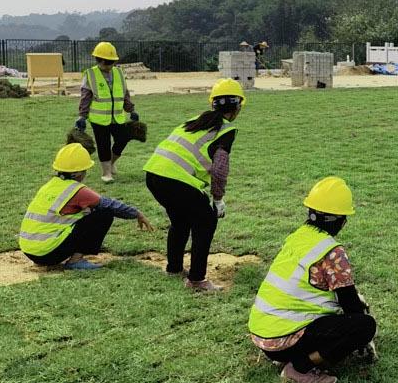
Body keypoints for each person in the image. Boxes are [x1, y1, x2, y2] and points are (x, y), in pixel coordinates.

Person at [248, 176, 377, 383]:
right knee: (363, 325)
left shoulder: (298, 237)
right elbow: (351, 306)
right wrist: (361, 338)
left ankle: (292, 355)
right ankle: (298, 368)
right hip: (284, 339)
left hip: (263, 334)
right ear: (342, 220)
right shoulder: (332, 252)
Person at [143, 78, 245, 293]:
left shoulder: (193, 121)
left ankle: (174, 269)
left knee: (180, 221)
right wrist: (217, 199)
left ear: (212, 104)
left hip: (153, 174)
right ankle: (197, 279)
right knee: (206, 221)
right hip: (176, 180)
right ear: (237, 106)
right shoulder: (226, 130)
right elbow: (219, 169)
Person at [19, 143, 153, 270]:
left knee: (88, 211)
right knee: (104, 214)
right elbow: (110, 205)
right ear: (78, 173)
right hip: (48, 252)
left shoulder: (50, 185)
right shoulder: (77, 190)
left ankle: (54, 256)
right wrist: (137, 213)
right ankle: (76, 260)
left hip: (29, 250)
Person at [75, 41, 138, 183]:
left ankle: (111, 163)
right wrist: (82, 116)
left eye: (112, 62)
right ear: (100, 60)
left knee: (123, 138)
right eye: (108, 63)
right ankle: (106, 173)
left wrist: (131, 109)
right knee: (103, 144)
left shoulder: (119, 73)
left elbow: (124, 93)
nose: (110, 66)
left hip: (117, 117)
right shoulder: (90, 74)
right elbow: (85, 97)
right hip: (98, 119)